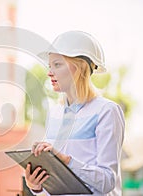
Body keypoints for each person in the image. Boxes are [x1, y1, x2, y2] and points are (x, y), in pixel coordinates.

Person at [25, 31, 125, 195]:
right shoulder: (56, 114)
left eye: (57, 65)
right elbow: (55, 185)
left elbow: (107, 181)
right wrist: (36, 187)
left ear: (80, 68)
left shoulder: (106, 111)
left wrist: (66, 161)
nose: (50, 72)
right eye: (50, 66)